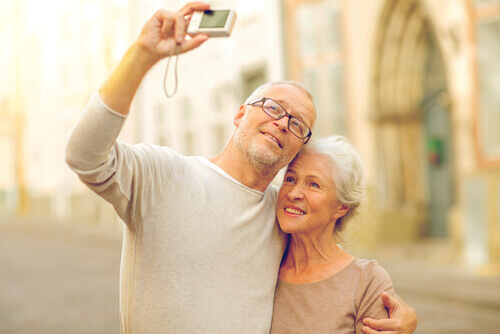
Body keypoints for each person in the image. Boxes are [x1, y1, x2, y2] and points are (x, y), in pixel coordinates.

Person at [65, 2, 417, 333]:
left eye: (298, 125)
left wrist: (403, 316)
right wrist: (142, 55)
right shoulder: (164, 175)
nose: (283, 123)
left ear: (299, 146)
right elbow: (83, 155)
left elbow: (329, 268)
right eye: (274, 108)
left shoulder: (282, 213)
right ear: (239, 114)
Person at [270, 135, 416, 333]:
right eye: (290, 179)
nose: (294, 193)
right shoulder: (263, 263)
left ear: (341, 207)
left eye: (313, 184)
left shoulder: (366, 282)